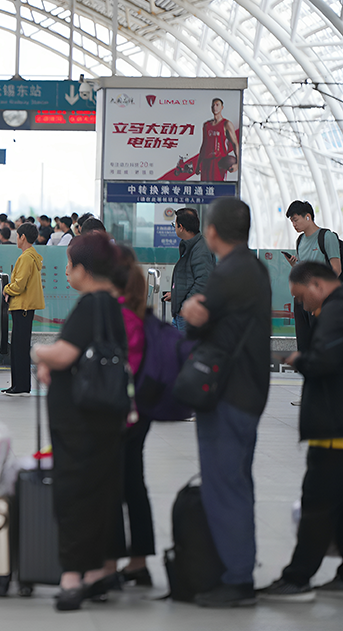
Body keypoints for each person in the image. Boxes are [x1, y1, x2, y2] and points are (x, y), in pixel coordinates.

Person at [181, 197, 271, 607]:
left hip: (226, 394)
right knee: (239, 482)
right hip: (250, 391)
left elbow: (199, 323)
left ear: (212, 232)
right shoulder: (255, 268)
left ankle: (236, 580)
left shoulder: (227, 272)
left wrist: (189, 310)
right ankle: (239, 567)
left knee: (224, 485)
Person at [32, 232, 126, 611]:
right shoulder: (115, 305)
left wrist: (39, 352)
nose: (67, 272)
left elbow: (65, 354)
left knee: (72, 494)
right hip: (106, 416)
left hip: (78, 420)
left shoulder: (89, 305)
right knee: (102, 491)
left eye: (70, 265)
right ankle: (100, 572)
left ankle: (72, 576)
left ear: (84, 270)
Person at [258, 262, 343, 602]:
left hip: (333, 426)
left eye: (301, 297)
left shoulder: (335, 313)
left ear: (317, 284)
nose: (303, 306)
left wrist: (298, 358)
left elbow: (325, 360)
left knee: (317, 503)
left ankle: (298, 577)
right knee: (336, 505)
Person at [109, 246, 156, 587]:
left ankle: (113, 563)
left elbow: (120, 368)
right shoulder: (137, 312)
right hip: (138, 410)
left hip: (123, 412)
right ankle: (138, 561)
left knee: (117, 485)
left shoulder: (121, 316)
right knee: (132, 483)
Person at [284, 200, 342, 352]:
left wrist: (320, 296)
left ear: (308, 217)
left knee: (319, 340)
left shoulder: (327, 237)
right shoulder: (300, 241)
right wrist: (294, 266)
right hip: (303, 297)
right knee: (304, 340)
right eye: (292, 222)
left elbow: (336, 269)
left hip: (319, 298)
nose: (294, 225)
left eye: (295, 220)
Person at [1, 222, 44, 396]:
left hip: (23, 307)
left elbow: (19, 285)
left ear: (22, 237)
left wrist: (6, 289)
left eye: (17, 236)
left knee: (19, 347)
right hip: (24, 307)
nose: (16, 239)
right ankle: (19, 384)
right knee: (20, 346)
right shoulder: (31, 256)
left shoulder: (26, 257)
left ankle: (21, 385)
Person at [162, 208, 215, 332]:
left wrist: (185, 306)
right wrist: (175, 295)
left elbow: (203, 282)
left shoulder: (200, 250)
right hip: (182, 315)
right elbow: (188, 279)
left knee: (186, 350)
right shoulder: (190, 245)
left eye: (174, 224)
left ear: (181, 227)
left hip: (189, 316)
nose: (174, 227)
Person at [195, 98, 239, 182]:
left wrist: (237, 164)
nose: (215, 107)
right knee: (205, 189)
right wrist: (198, 164)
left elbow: (235, 144)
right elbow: (204, 145)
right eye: (213, 105)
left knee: (217, 189)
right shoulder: (206, 125)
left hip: (218, 162)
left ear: (222, 107)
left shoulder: (226, 124)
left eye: (217, 105)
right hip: (206, 162)